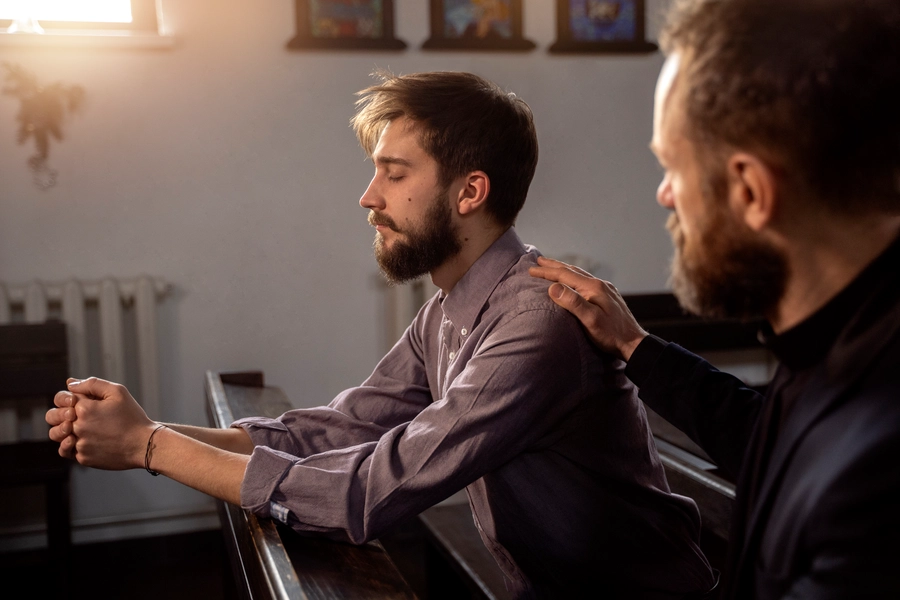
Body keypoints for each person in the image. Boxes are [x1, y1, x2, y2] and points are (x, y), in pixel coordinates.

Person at [46, 71, 715, 598]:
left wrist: (148, 446)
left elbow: (364, 494)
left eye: (395, 174)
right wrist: (144, 427)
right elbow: (339, 431)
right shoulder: (448, 309)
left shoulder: (538, 321)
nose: (369, 196)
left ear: (469, 192)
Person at [531, 1, 900, 598]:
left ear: (751, 191)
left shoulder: (875, 482)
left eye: (672, 168)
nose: (664, 196)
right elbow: (771, 435)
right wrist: (635, 345)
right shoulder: (845, 335)